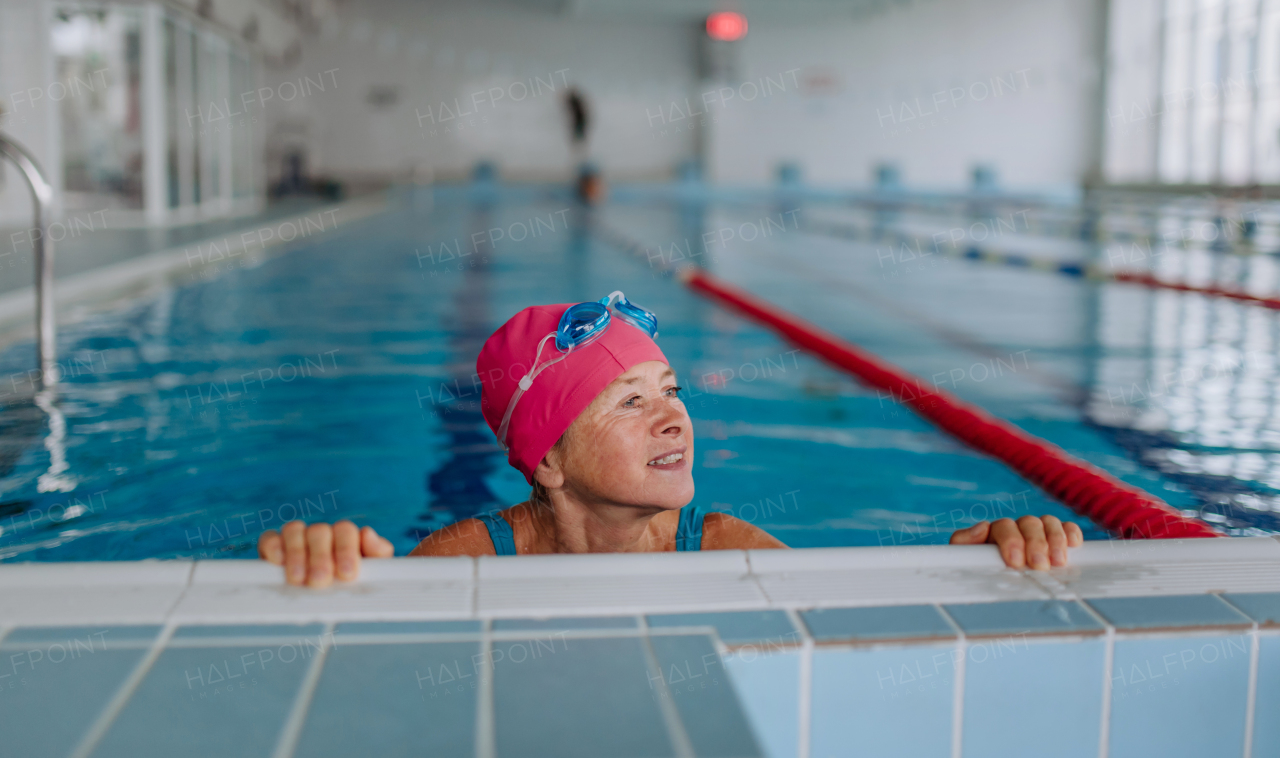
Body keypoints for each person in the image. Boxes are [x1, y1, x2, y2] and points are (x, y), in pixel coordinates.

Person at [259, 292, 1083, 587]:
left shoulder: (728, 549)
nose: (674, 417)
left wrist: (980, 559)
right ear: (547, 460)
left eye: (672, 392)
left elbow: (852, 630)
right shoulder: (466, 561)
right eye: (627, 401)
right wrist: (328, 564)